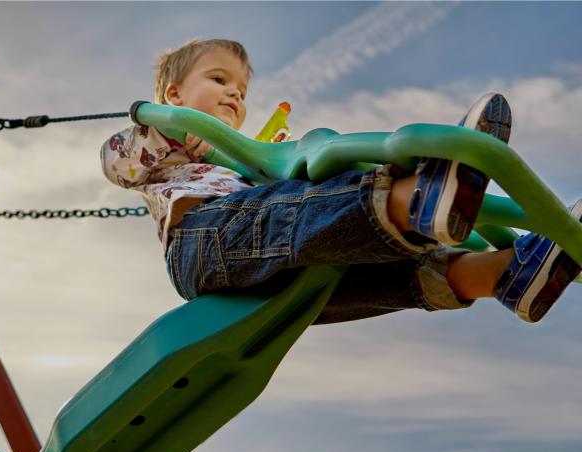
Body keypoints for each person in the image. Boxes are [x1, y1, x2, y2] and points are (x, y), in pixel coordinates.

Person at [101, 38, 581, 324]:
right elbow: (115, 161)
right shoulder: (156, 146)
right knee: (296, 206)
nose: (233, 94)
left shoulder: (237, 160)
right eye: (219, 79)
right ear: (173, 94)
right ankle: (415, 197)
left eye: (241, 91)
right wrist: (166, 127)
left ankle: (505, 274)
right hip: (203, 248)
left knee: (363, 274)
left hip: (267, 275)